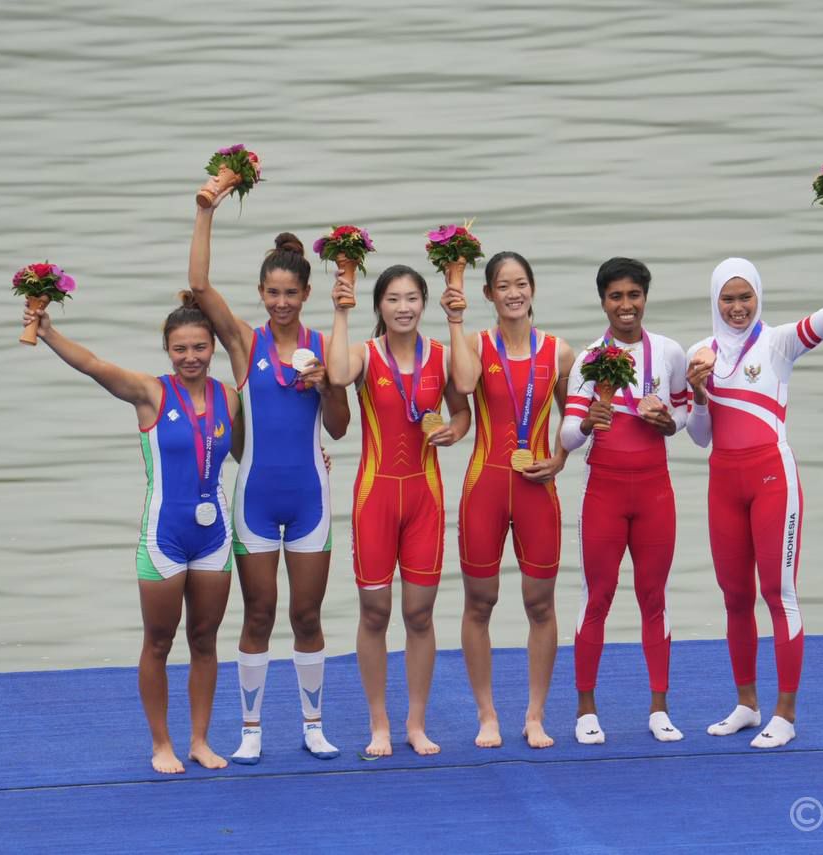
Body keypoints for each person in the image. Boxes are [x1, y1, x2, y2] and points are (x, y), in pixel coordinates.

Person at [23, 292, 237, 774]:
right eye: (180, 349)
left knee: (205, 640)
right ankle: (161, 744)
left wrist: (318, 456)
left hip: (214, 537)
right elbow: (94, 365)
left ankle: (200, 740)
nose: (190, 357)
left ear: (213, 348)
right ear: (167, 350)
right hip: (164, 537)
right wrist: (49, 332)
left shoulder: (229, 398)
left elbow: (249, 451)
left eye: (200, 347)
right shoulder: (149, 393)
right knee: (158, 642)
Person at [685, 205, 823, 748]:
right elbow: (699, 437)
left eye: (746, 297)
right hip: (723, 483)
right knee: (735, 596)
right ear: (715, 302)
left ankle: (784, 714)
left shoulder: (780, 342)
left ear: (758, 297)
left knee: (777, 592)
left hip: (771, 480)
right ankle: (746, 704)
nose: (738, 307)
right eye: (728, 299)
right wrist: (697, 393)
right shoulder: (699, 355)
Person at [187, 195, 351, 764]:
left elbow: (339, 428)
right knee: (258, 613)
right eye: (273, 293)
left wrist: (327, 386)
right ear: (261, 293)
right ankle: (251, 730)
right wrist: (206, 209)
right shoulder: (244, 343)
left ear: (306, 294)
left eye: (291, 294)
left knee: (306, 615)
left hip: (310, 498)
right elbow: (200, 285)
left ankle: (313, 726)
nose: (282, 303)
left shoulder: (325, 348)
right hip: (254, 497)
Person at [326, 264, 472, 757]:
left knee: (419, 613)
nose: (403, 307)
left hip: (425, 498)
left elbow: (464, 401)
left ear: (423, 303)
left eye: (412, 298)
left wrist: (455, 429)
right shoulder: (365, 356)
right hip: (375, 497)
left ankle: (416, 722)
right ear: (379, 307)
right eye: (393, 299)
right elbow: (336, 375)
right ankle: (379, 723)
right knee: (375, 612)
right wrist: (340, 312)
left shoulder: (441, 356)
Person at [440, 251, 575, 749]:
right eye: (503, 286)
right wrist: (455, 320)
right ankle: (487, 714)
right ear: (489, 294)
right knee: (480, 602)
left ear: (532, 289)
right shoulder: (476, 345)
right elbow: (463, 385)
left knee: (540, 604)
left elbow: (572, 419)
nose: (513, 293)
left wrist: (559, 459)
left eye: (521, 284)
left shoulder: (559, 353)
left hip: (538, 488)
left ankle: (535, 714)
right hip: (485, 487)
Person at [559, 258, 690, 746]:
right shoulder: (589, 360)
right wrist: (589, 420)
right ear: (603, 302)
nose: (626, 305)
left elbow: (684, 414)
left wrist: (669, 423)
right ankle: (585, 710)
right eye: (616, 296)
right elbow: (567, 437)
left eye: (634, 295)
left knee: (654, 597)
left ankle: (659, 709)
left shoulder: (670, 352)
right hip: (604, 492)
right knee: (598, 596)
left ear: (645, 298)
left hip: (655, 491)